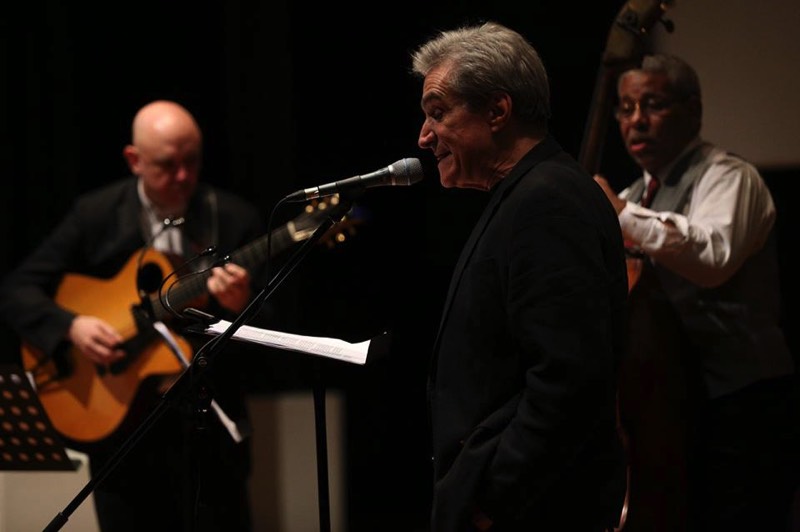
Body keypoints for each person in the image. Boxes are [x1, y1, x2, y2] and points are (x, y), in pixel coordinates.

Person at [0, 100, 265, 531]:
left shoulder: (233, 217)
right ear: (133, 160)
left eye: (191, 161)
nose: (183, 177)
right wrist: (72, 326)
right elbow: (17, 289)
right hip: (123, 445)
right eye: (166, 164)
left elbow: (275, 330)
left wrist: (241, 307)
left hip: (210, 439)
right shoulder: (97, 214)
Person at [410, 21, 629, 531]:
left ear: (498, 110)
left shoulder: (547, 202)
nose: (424, 137)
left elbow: (568, 380)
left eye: (438, 113)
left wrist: (492, 501)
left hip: (535, 512)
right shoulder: (528, 195)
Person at [594, 54, 800, 531]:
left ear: (693, 110)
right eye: (625, 108)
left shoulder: (729, 177)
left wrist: (621, 215)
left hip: (743, 401)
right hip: (669, 406)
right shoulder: (632, 193)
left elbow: (713, 259)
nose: (635, 120)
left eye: (653, 104)